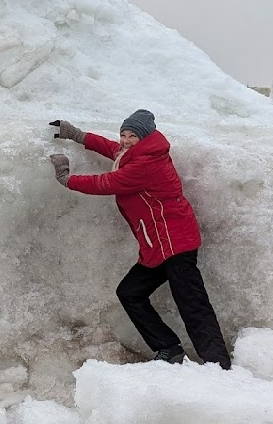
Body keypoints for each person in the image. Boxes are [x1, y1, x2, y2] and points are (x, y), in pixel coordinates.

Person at [48, 109, 231, 369]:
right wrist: (77, 135)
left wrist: (67, 180)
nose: (125, 140)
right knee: (130, 293)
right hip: (158, 245)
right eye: (124, 134)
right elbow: (113, 149)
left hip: (175, 243)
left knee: (193, 306)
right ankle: (169, 348)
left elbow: (107, 182)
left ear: (145, 137)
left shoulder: (147, 164)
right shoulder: (138, 154)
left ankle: (219, 366)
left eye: (132, 135)